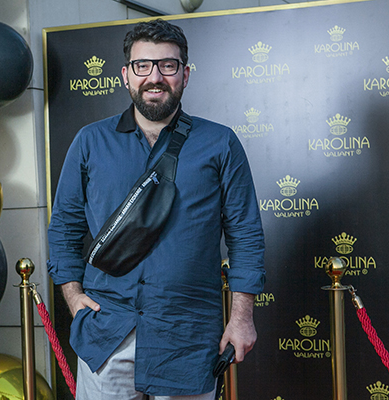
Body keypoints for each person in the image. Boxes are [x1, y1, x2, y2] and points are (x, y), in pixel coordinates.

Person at [47, 19, 265, 400]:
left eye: (168, 65)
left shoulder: (220, 143)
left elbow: (245, 234)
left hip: (187, 338)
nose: (155, 77)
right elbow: (64, 226)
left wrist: (242, 318)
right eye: (142, 65)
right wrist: (72, 296)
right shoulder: (90, 142)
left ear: (185, 74)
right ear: (126, 76)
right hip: (106, 334)